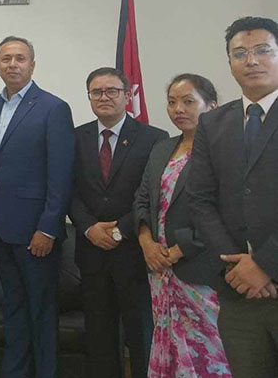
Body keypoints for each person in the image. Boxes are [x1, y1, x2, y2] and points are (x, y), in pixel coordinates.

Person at [188, 16, 278, 377]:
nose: (251, 60)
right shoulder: (212, 123)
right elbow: (200, 199)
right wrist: (238, 268)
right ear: (229, 63)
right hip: (237, 289)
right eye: (239, 53)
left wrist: (265, 264)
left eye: (262, 50)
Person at [0, 36, 74, 378]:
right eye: (6, 59)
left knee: (42, 313)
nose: (13, 64)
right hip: (0, 232)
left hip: (37, 233)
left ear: (32, 65)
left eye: (20, 58)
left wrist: (48, 227)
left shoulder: (53, 108)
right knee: (14, 311)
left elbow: (61, 175)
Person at [70, 67, 168, 378]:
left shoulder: (154, 138)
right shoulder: (75, 137)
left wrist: (118, 230)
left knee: (141, 334)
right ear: (89, 97)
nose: (104, 97)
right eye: (96, 92)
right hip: (91, 253)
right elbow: (68, 190)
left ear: (127, 96)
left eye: (112, 91)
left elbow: (151, 195)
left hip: (134, 252)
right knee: (99, 336)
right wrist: (88, 228)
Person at [132, 73, 231, 377]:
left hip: (199, 267)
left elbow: (224, 212)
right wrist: (146, 243)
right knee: (169, 347)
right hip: (160, 270)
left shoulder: (224, 151)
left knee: (208, 353)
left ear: (211, 106)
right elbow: (143, 198)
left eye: (188, 101)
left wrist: (177, 251)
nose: (179, 109)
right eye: (172, 102)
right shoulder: (162, 148)